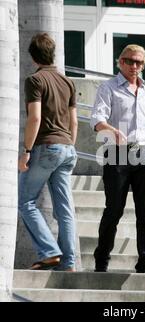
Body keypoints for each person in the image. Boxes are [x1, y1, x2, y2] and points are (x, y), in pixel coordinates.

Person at [90, 44, 145, 273]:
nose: (134, 66)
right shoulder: (108, 87)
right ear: (120, 62)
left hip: (144, 152)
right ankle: (102, 259)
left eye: (139, 62)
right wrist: (111, 130)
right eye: (130, 61)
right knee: (114, 210)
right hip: (116, 153)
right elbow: (97, 119)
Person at [18, 33, 78, 271]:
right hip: (67, 148)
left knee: (25, 201)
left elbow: (35, 117)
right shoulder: (68, 82)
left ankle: (50, 251)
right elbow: (74, 122)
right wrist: (69, 146)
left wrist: (26, 151)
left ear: (33, 58)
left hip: (45, 147)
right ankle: (69, 262)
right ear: (53, 54)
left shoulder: (35, 81)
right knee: (64, 209)